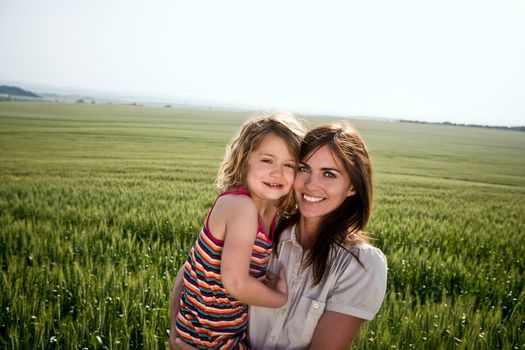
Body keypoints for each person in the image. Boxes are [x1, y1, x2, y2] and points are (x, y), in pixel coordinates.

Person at [171, 121, 387, 350]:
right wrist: (178, 337)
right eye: (304, 168)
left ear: (353, 185)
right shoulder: (265, 227)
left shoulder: (360, 264)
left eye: (329, 174)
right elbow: (191, 269)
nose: (312, 185)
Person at [170, 112, 305, 349]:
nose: (277, 172)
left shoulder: (273, 212)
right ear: (244, 161)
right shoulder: (241, 206)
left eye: (289, 165)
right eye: (267, 160)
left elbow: (190, 266)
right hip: (207, 338)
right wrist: (281, 299)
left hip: (225, 334)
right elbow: (236, 283)